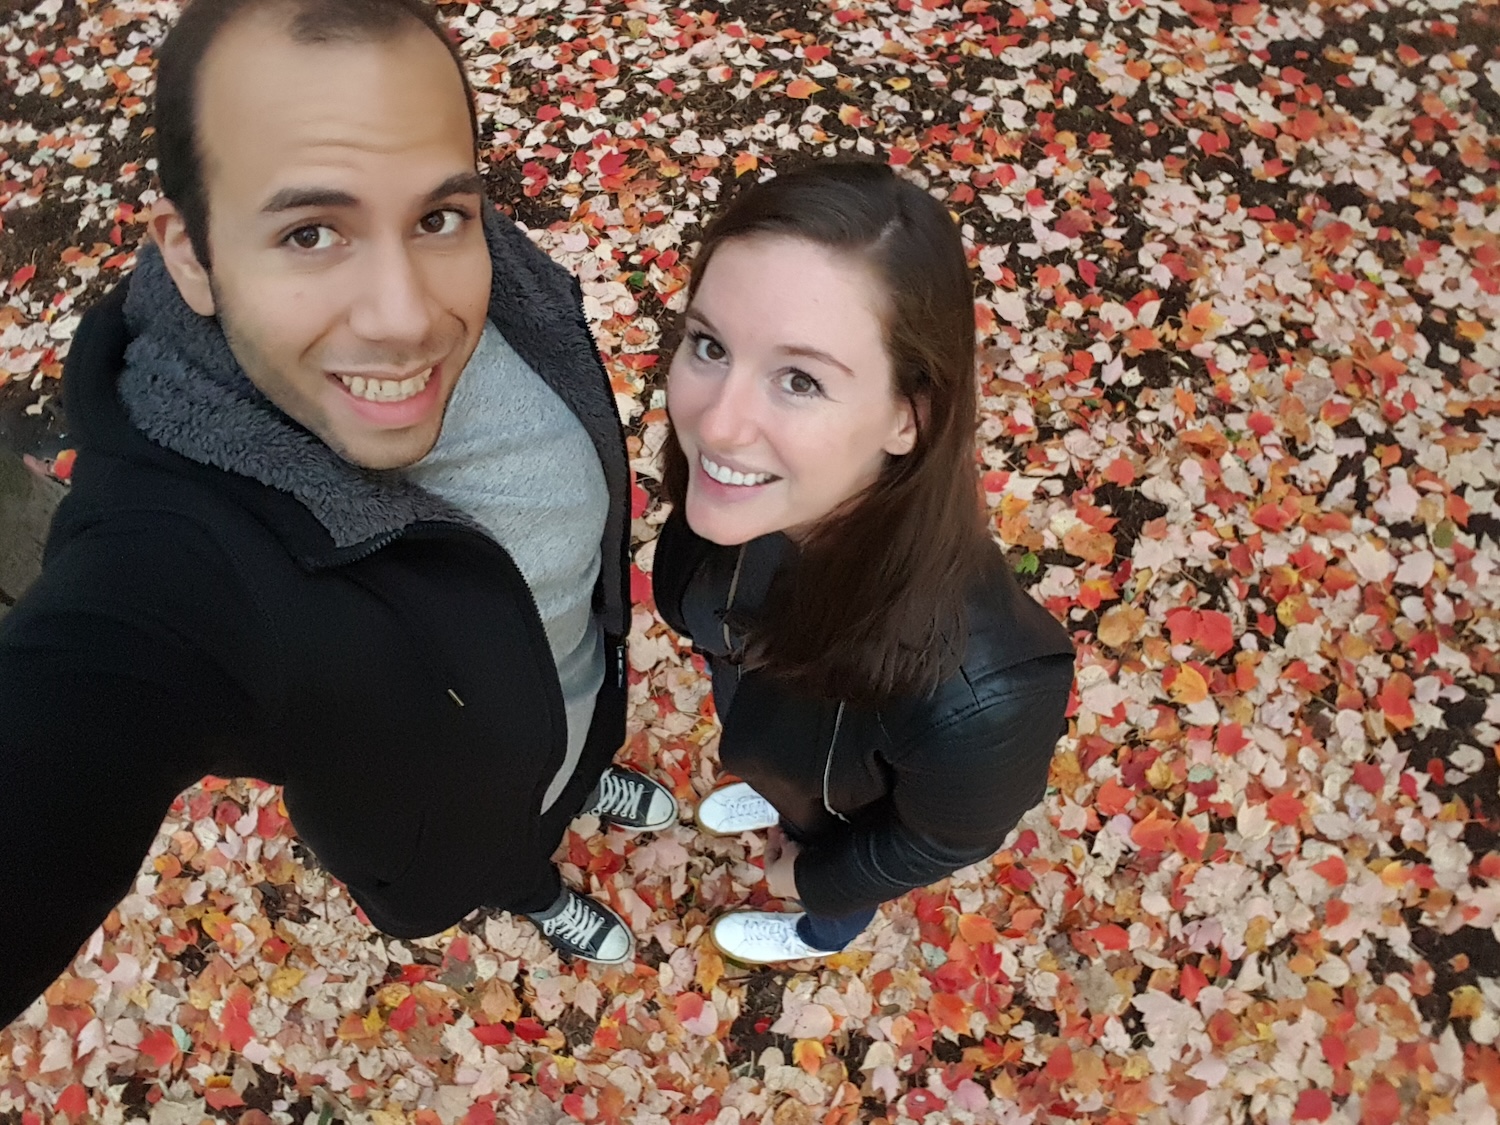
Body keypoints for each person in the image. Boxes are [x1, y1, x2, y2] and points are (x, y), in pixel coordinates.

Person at [0, 0, 678, 1027]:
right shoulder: (176, 551)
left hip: (577, 691)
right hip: (457, 822)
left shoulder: (511, 289)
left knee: (573, 761)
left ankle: (583, 779)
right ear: (188, 251)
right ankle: (536, 889)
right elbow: (76, 708)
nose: (407, 317)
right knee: (513, 850)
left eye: (439, 216)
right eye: (311, 231)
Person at [651, 162, 1076, 964]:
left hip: (838, 833)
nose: (718, 423)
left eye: (800, 379)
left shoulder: (985, 699)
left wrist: (811, 880)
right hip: (795, 751)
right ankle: (778, 790)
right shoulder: (746, 508)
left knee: (828, 889)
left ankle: (819, 935)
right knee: (778, 764)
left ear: (907, 417)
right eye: (709, 344)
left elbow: (935, 840)